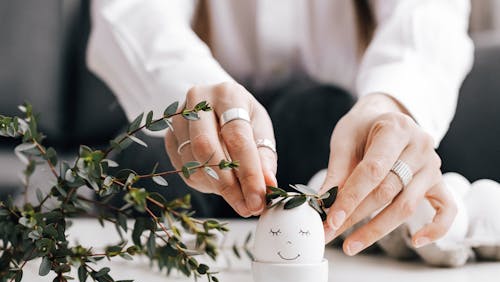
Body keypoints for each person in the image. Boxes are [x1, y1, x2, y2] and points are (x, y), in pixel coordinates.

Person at [86, 0, 474, 257]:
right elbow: (134, 10)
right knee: (143, 168)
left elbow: (428, 11)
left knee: (320, 114)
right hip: (198, 150)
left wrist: (390, 105)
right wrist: (199, 100)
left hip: (332, 136)